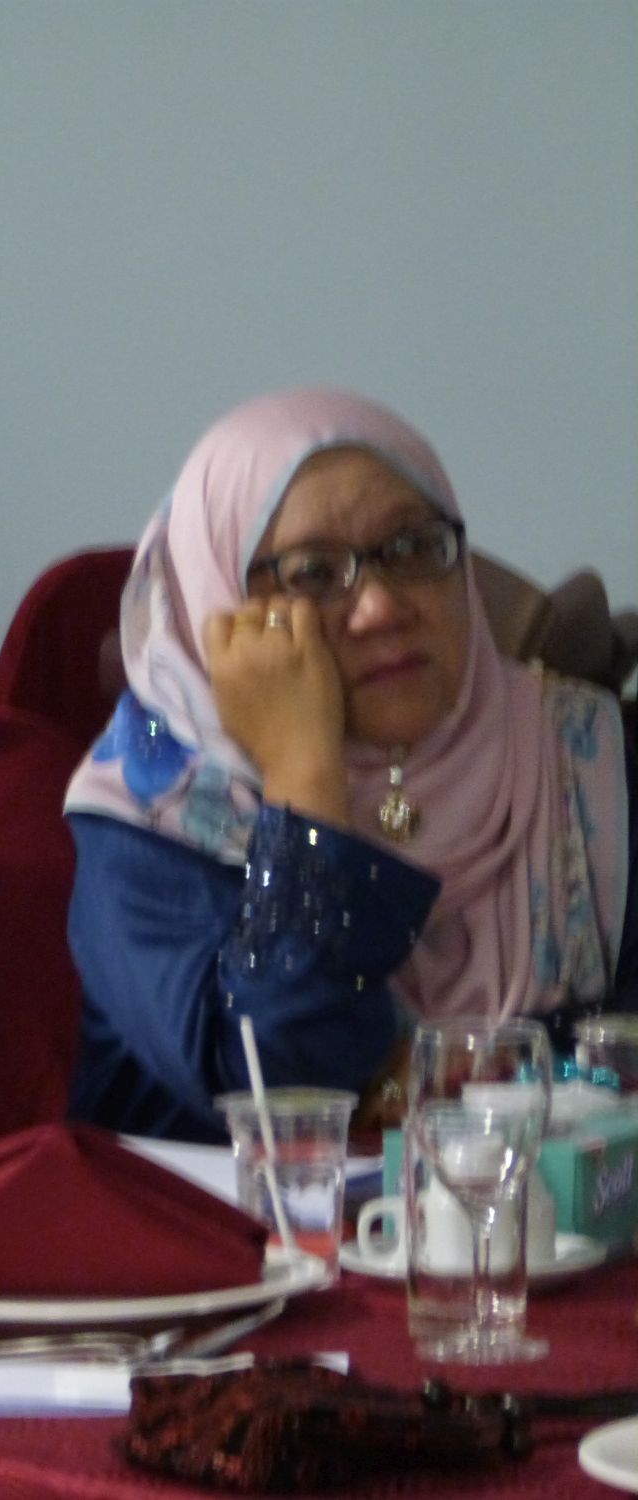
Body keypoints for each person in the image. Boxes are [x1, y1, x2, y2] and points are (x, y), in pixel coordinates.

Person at [65, 388, 635, 1142]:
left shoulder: (578, 756)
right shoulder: (152, 816)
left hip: (549, 1213)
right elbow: (281, 1091)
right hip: (217, 1217)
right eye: (310, 573)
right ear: (215, 600)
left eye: (413, 549)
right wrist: (304, 777)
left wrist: (454, 1091)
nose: (380, 608)